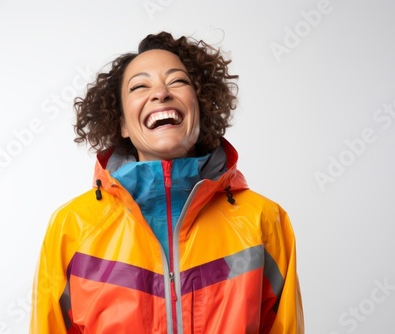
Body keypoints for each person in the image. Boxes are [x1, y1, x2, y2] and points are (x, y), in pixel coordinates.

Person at [30, 31, 304, 334]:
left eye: (177, 81)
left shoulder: (264, 219)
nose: (160, 93)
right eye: (140, 86)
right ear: (121, 123)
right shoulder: (72, 226)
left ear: (201, 108)